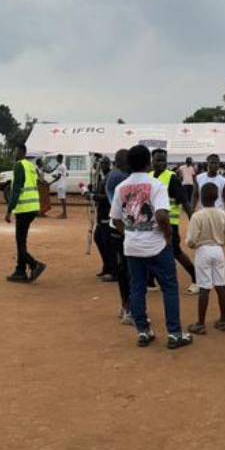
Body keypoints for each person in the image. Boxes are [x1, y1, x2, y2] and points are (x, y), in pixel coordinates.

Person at [110, 144, 192, 349]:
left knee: (137, 288)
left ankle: (143, 331)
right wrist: (167, 234)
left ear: (129, 163)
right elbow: (163, 215)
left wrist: (128, 232)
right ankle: (174, 334)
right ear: (148, 163)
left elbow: (115, 219)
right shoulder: (156, 185)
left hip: (132, 247)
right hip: (156, 245)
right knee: (169, 288)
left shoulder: (122, 188)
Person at [185, 182, 225, 335]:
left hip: (203, 251)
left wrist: (194, 246)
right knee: (221, 285)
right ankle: (224, 320)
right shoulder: (222, 214)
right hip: (218, 250)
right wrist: (219, 243)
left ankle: (200, 323)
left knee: (204, 287)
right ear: (217, 197)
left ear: (201, 197)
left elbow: (191, 239)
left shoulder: (197, 215)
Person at [151, 148, 199, 294]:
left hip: (170, 224)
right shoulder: (149, 176)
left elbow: (185, 202)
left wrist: (194, 220)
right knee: (153, 252)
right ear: (151, 161)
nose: (161, 163)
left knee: (176, 252)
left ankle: (196, 278)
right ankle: (151, 281)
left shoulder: (172, 178)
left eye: (163, 160)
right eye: (158, 160)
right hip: (152, 224)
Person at [4, 144, 47, 283]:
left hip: (24, 208)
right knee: (22, 240)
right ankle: (20, 270)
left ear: (22, 152)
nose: (15, 154)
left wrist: (9, 210)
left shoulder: (19, 165)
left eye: (16, 151)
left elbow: (16, 189)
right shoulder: (31, 166)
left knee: (20, 242)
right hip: (33, 206)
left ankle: (34, 264)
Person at [106, 149, 132, 323]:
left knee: (123, 269)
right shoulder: (122, 178)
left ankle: (125, 306)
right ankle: (129, 309)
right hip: (124, 227)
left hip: (116, 226)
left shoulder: (113, 175)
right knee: (129, 271)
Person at [91, 156, 116, 280]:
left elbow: (109, 197)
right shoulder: (103, 177)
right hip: (101, 214)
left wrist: (95, 196)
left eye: (104, 164)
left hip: (107, 214)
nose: (101, 166)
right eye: (100, 164)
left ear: (109, 164)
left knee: (108, 243)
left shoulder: (110, 178)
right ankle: (107, 266)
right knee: (99, 239)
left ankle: (113, 270)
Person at [51, 154, 69, 219]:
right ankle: (64, 213)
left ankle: (64, 214)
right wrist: (56, 176)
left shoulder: (60, 166)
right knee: (62, 199)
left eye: (57, 158)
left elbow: (59, 177)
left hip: (61, 184)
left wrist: (51, 182)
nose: (56, 159)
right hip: (63, 183)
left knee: (62, 199)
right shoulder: (63, 165)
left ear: (59, 158)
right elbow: (65, 174)